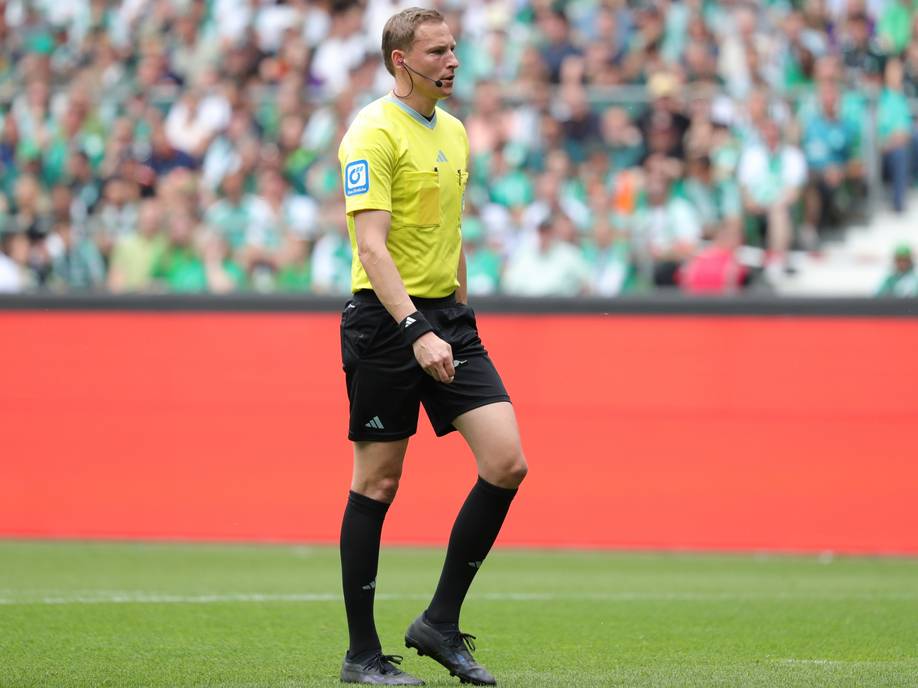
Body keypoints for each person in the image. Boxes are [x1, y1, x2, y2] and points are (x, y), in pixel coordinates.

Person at [335, 8, 528, 686]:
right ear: (400, 60)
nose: (452, 60)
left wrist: (461, 317)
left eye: (455, 48)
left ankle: (438, 624)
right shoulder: (371, 131)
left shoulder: (454, 132)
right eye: (438, 51)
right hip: (386, 324)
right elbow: (371, 247)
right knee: (378, 481)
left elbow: (451, 234)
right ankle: (362, 655)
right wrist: (415, 330)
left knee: (506, 461)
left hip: (448, 317)